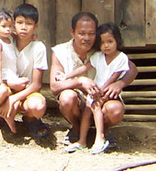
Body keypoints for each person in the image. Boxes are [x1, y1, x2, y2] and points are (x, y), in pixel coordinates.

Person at [50, 12, 137, 146]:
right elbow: (54, 87)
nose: (87, 38)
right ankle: (77, 128)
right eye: (81, 33)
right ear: (72, 32)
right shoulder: (61, 51)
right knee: (67, 98)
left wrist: (120, 83)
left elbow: (132, 69)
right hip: (78, 101)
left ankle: (102, 130)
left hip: (101, 98)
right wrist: (79, 81)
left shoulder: (102, 49)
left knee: (116, 109)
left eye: (91, 33)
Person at [67, 23, 129, 154]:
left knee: (95, 106)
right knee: (87, 112)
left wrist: (100, 93)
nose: (106, 45)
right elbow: (85, 67)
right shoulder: (98, 56)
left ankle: (100, 138)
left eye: (110, 41)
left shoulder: (122, 58)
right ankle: (82, 141)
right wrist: (67, 75)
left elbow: (114, 77)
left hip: (109, 92)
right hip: (95, 91)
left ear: (117, 40)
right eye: (102, 43)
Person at [0, 3, 49, 138]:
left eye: (29, 23)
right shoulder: (5, 43)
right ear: (13, 25)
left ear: (36, 26)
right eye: (19, 22)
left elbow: (36, 84)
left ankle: (30, 119)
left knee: (38, 107)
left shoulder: (38, 47)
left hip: (28, 92)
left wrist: (13, 99)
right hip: (8, 90)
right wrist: (10, 83)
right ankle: (0, 115)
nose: (23, 27)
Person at [0, 7, 29, 135]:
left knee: (24, 84)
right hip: (4, 74)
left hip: (13, 74)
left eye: (10, 26)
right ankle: (5, 115)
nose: (7, 29)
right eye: (3, 26)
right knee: (5, 91)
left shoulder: (10, 39)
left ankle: (6, 114)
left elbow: (17, 35)